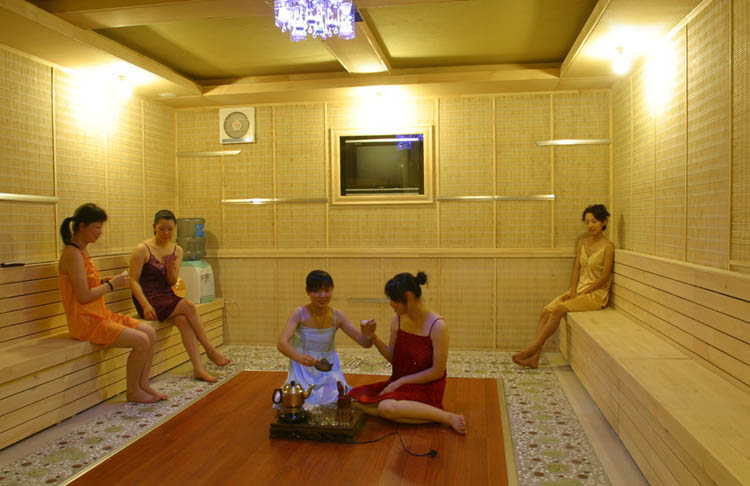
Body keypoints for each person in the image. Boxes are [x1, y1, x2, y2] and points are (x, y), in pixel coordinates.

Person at [58, 203, 165, 403]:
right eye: (97, 227)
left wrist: (103, 281)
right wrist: (111, 285)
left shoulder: (82, 252)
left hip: (100, 314)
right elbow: (83, 296)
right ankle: (133, 391)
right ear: (82, 226)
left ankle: (143, 384)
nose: (100, 232)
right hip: (86, 321)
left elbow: (84, 284)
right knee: (141, 340)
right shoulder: (72, 254)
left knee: (150, 332)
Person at [348, 272, 467, 434]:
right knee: (352, 398)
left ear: (408, 297)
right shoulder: (397, 319)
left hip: (426, 387)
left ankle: (446, 417)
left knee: (386, 407)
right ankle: (416, 413)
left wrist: (401, 382)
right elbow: (393, 357)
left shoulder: (438, 326)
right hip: (400, 383)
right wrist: (373, 338)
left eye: (393, 299)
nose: (390, 303)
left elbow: (437, 371)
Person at [129, 209, 230, 383]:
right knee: (188, 305)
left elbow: (171, 282)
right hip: (147, 298)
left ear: (174, 229)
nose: (166, 233)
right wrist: (145, 305)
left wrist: (170, 269)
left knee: (183, 320)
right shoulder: (142, 249)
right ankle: (210, 350)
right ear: (154, 227)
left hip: (165, 295)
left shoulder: (177, 250)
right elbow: (133, 281)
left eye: (170, 229)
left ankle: (198, 369)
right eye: (161, 228)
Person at [513, 204, 614, 368]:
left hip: (595, 295)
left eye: (595, 221)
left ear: (604, 222)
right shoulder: (583, 242)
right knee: (545, 312)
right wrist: (573, 290)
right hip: (579, 290)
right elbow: (576, 268)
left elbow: (604, 277)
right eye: (587, 222)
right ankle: (534, 358)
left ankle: (532, 349)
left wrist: (583, 292)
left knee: (558, 309)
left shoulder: (608, 247)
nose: (590, 225)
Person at [276, 270, 374, 405]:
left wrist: (368, 332)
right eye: (317, 291)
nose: (322, 296)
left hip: (328, 368)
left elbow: (365, 343)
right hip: (302, 369)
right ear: (308, 291)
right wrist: (300, 358)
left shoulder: (337, 315)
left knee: (334, 398)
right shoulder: (299, 313)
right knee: (296, 399)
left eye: (327, 291)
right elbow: (282, 343)